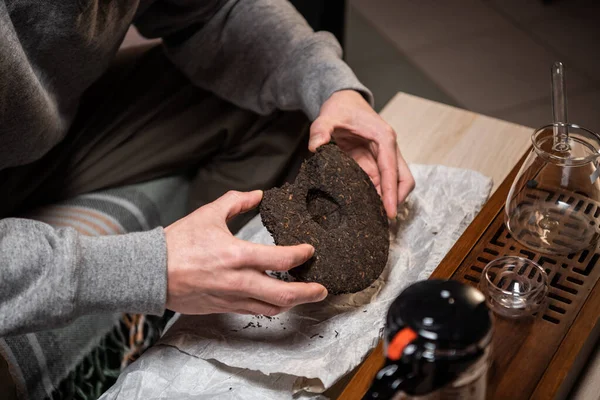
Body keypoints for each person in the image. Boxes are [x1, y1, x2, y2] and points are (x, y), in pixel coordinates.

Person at [0, 0, 414, 397]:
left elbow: (212, 9)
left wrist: (328, 84)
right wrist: (144, 269)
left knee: (285, 102)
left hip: (27, 145)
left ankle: (192, 292)